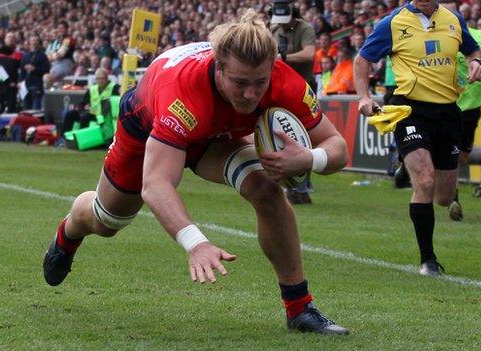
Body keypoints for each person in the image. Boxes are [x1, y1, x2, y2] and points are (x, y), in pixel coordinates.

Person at [42, 10, 349, 335]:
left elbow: (336, 146)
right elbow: (156, 184)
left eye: (260, 82)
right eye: (240, 82)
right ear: (219, 67)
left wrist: (310, 158)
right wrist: (196, 243)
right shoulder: (182, 92)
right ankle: (69, 232)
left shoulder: (284, 80)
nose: (250, 94)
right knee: (107, 222)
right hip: (146, 125)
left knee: (266, 188)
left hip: (216, 132)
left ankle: (300, 308)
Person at [354, 0, 481, 276]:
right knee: (424, 180)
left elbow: (474, 49)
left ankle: (406, 161)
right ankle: (428, 260)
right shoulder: (392, 23)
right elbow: (363, 59)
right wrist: (364, 96)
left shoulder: (454, 19)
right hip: (410, 108)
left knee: (444, 197)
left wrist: (476, 62)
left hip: (448, 112)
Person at [442, 0, 481, 221]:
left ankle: (448, 190)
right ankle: (454, 198)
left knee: (462, 156)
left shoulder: (477, 37)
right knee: (449, 151)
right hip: (446, 103)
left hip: (470, 106)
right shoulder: (432, 38)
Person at [270, 0, 317, 205]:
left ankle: (302, 181)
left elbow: (309, 53)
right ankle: (285, 179)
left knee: (304, 134)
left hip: (303, 87)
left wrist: (284, 58)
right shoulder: (273, 29)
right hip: (280, 86)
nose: (282, 24)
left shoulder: (305, 29)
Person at [61, 68, 120, 134]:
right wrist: (81, 112)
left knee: (85, 117)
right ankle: (63, 138)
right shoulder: (92, 89)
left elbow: (122, 92)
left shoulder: (114, 87)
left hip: (105, 116)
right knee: (71, 114)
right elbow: (82, 104)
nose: (100, 81)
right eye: (98, 78)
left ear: (107, 78)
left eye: (102, 78)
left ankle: (82, 138)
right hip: (93, 114)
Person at [20, 34, 50, 110]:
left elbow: (47, 69)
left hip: (37, 84)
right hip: (26, 85)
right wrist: (19, 81)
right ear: (29, 42)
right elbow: (22, 70)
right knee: (25, 108)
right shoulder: (25, 55)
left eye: (36, 40)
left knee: (36, 109)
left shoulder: (42, 55)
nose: (35, 42)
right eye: (33, 40)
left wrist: (35, 69)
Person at [44, 21, 76, 88]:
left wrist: (50, 57)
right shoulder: (58, 40)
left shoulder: (68, 39)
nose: (60, 30)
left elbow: (60, 55)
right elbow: (50, 54)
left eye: (62, 28)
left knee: (47, 78)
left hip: (65, 64)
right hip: (56, 64)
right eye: (59, 28)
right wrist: (52, 56)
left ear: (67, 29)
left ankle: (47, 97)